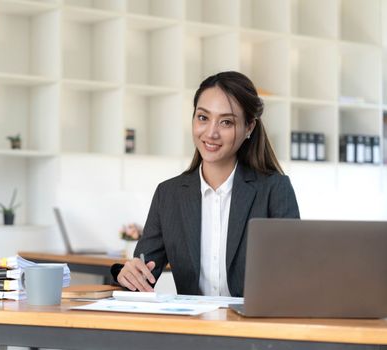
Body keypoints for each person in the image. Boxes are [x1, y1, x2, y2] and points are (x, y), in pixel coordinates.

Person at [111, 71, 300, 297]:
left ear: (249, 127)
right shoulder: (169, 194)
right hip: (193, 326)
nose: (211, 133)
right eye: (203, 117)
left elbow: (294, 276)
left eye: (226, 122)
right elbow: (142, 275)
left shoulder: (274, 189)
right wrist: (128, 274)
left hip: (253, 327)